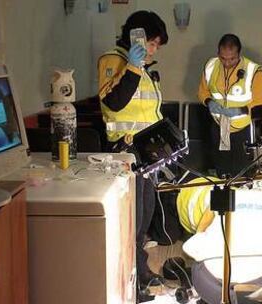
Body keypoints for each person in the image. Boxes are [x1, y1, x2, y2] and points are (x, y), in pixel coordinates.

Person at [97, 10, 168, 289]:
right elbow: (114, 103)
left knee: (145, 215)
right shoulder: (113, 60)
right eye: (151, 43)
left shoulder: (144, 68)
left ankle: (139, 270)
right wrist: (134, 67)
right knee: (132, 219)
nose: (153, 50)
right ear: (135, 36)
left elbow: (150, 112)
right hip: (124, 150)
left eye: (156, 46)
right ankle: (129, 280)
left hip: (147, 152)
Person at [197, 34, 262, 177]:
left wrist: (240, 110)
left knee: (242, 172)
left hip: (243, 129)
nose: (227, 63)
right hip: (219, 127)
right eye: (223, 58)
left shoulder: (254, 71)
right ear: (218, 53)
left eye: (232, 59)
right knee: (222, 171)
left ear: (239, 54)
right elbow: (202, 91)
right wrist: (208, 102)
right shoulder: (211, 66)